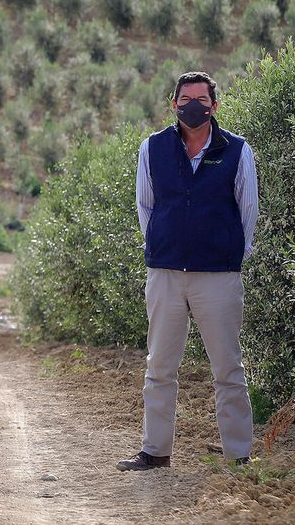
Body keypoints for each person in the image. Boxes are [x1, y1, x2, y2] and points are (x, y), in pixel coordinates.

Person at [118, 71, 259, 472]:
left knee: (228, 368)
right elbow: (145, 206)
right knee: (160, 366)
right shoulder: (153, 148)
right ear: (173, 104)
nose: (193, 106)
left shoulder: (237, 150)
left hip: (218, 277)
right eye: (185, 100)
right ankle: (155, 452)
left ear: (215, 106)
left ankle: (238, 456)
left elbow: (248, 210)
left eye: (201, 100)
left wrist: (230, 254)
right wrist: (164, 245)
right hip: (165, 275)